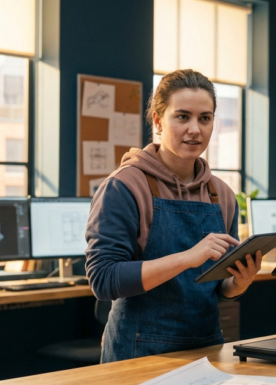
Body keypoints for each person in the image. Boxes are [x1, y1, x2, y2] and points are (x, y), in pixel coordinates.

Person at [85, 69, 262, 364]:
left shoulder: (223, 195)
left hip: (206, 349)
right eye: (182, 117)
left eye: (204, 118)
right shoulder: (125, 187)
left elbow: (219, 290)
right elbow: (103, 280)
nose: (195, 129)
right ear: (157, 120)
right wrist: (187, 258)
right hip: (138, 353)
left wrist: (240, 283)